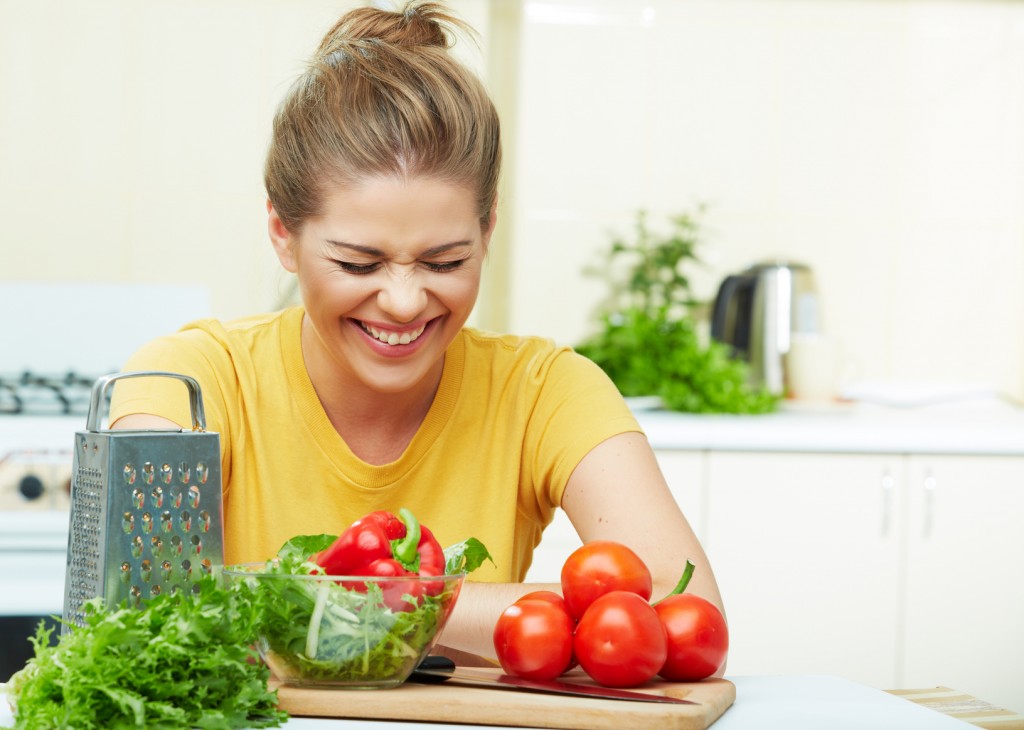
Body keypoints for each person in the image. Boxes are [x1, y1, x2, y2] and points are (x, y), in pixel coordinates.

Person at [110, 0, 724, 663]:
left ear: (488, 228)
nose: (403, 301)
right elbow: (144, 615)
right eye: (358, 262)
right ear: (282, 233)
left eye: (445, 262)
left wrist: (403, 596)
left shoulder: (547, 393)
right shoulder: (193, 382)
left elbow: (685, 616)